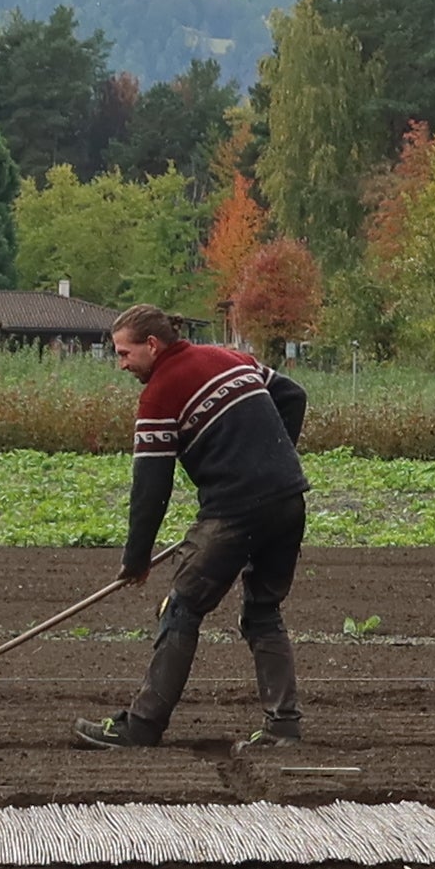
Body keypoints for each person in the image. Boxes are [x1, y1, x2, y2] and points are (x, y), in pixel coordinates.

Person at [76, 301, 307, 749]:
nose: (121, 364)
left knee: (181, 608)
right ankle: (283, 728)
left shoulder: (160, 393)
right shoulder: (231, 358)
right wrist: (276, 456)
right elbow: (293, 396)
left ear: (151, 344)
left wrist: (136, 559)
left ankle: (141, 726)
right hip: (289, 499)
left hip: (235, 511)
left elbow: (151, 486)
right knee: (262, 611)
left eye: (124, 354)